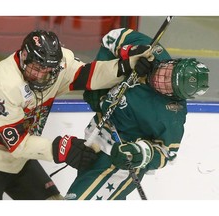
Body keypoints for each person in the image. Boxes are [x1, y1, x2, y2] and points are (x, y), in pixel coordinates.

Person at [0, 29, 153, 200]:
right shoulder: (3, 83)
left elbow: (90, 76)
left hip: (20, 161)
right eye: (36, 68)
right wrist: (61, 149)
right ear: (23, 56)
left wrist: (126, 66)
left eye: (48, 70)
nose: (41, 75)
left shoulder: (60, 63)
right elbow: (18, 144)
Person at [65, 28, 210, 200]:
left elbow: (167, 154)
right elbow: (110, 39)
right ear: (174, 62)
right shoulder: (154, 53)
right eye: (168, 72)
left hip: (118, 164)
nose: (160, 78)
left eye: (168, 84)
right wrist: (105, 74)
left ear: (175, 95)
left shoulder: (172, 113)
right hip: (93, 143)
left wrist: (140, 153)